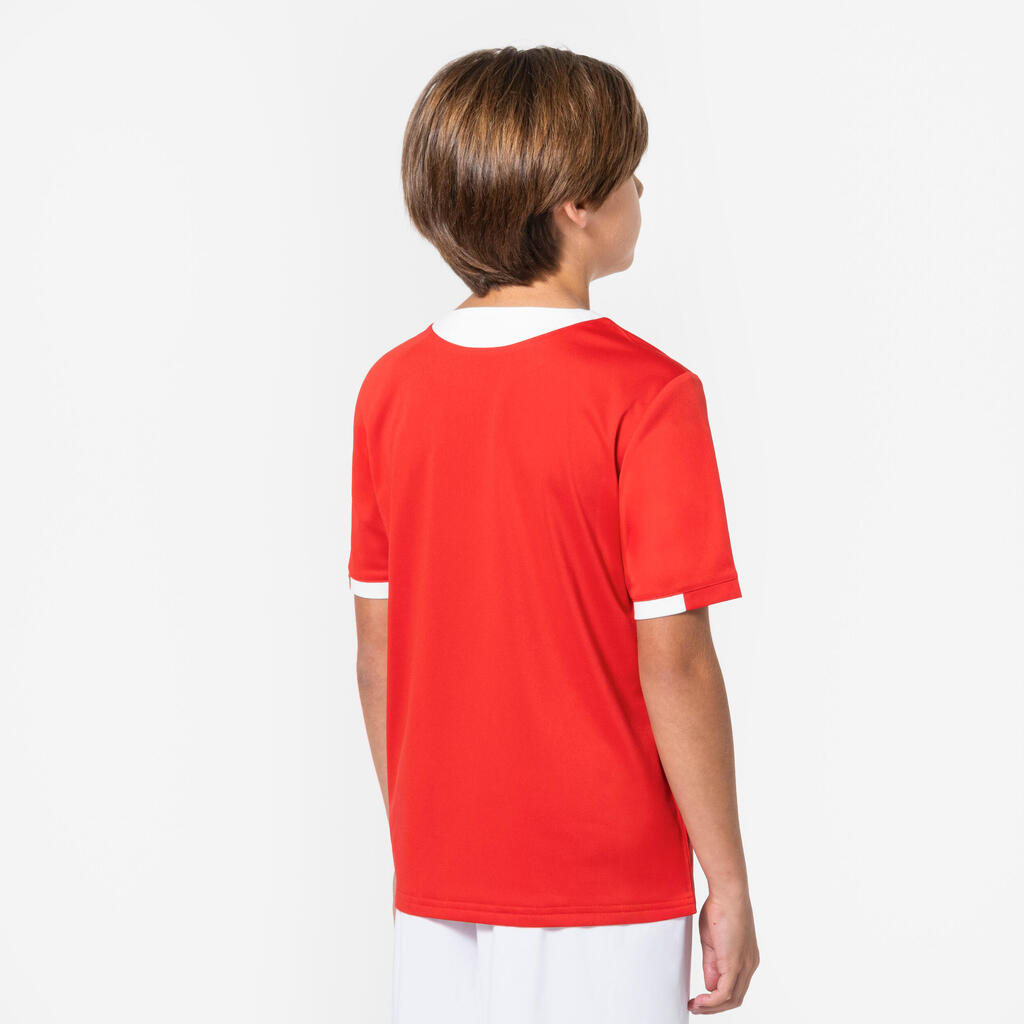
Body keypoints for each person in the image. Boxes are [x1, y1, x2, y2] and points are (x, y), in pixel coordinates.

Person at [349, 45, 759, 1023]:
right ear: (575, 203)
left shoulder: (391, 389)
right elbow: (675, 659)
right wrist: (728, 877)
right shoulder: (648, 394)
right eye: (628, 170)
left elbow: (377, 653)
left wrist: (424, 840)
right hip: (603, 882)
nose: (641, 188)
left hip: (440, 873)